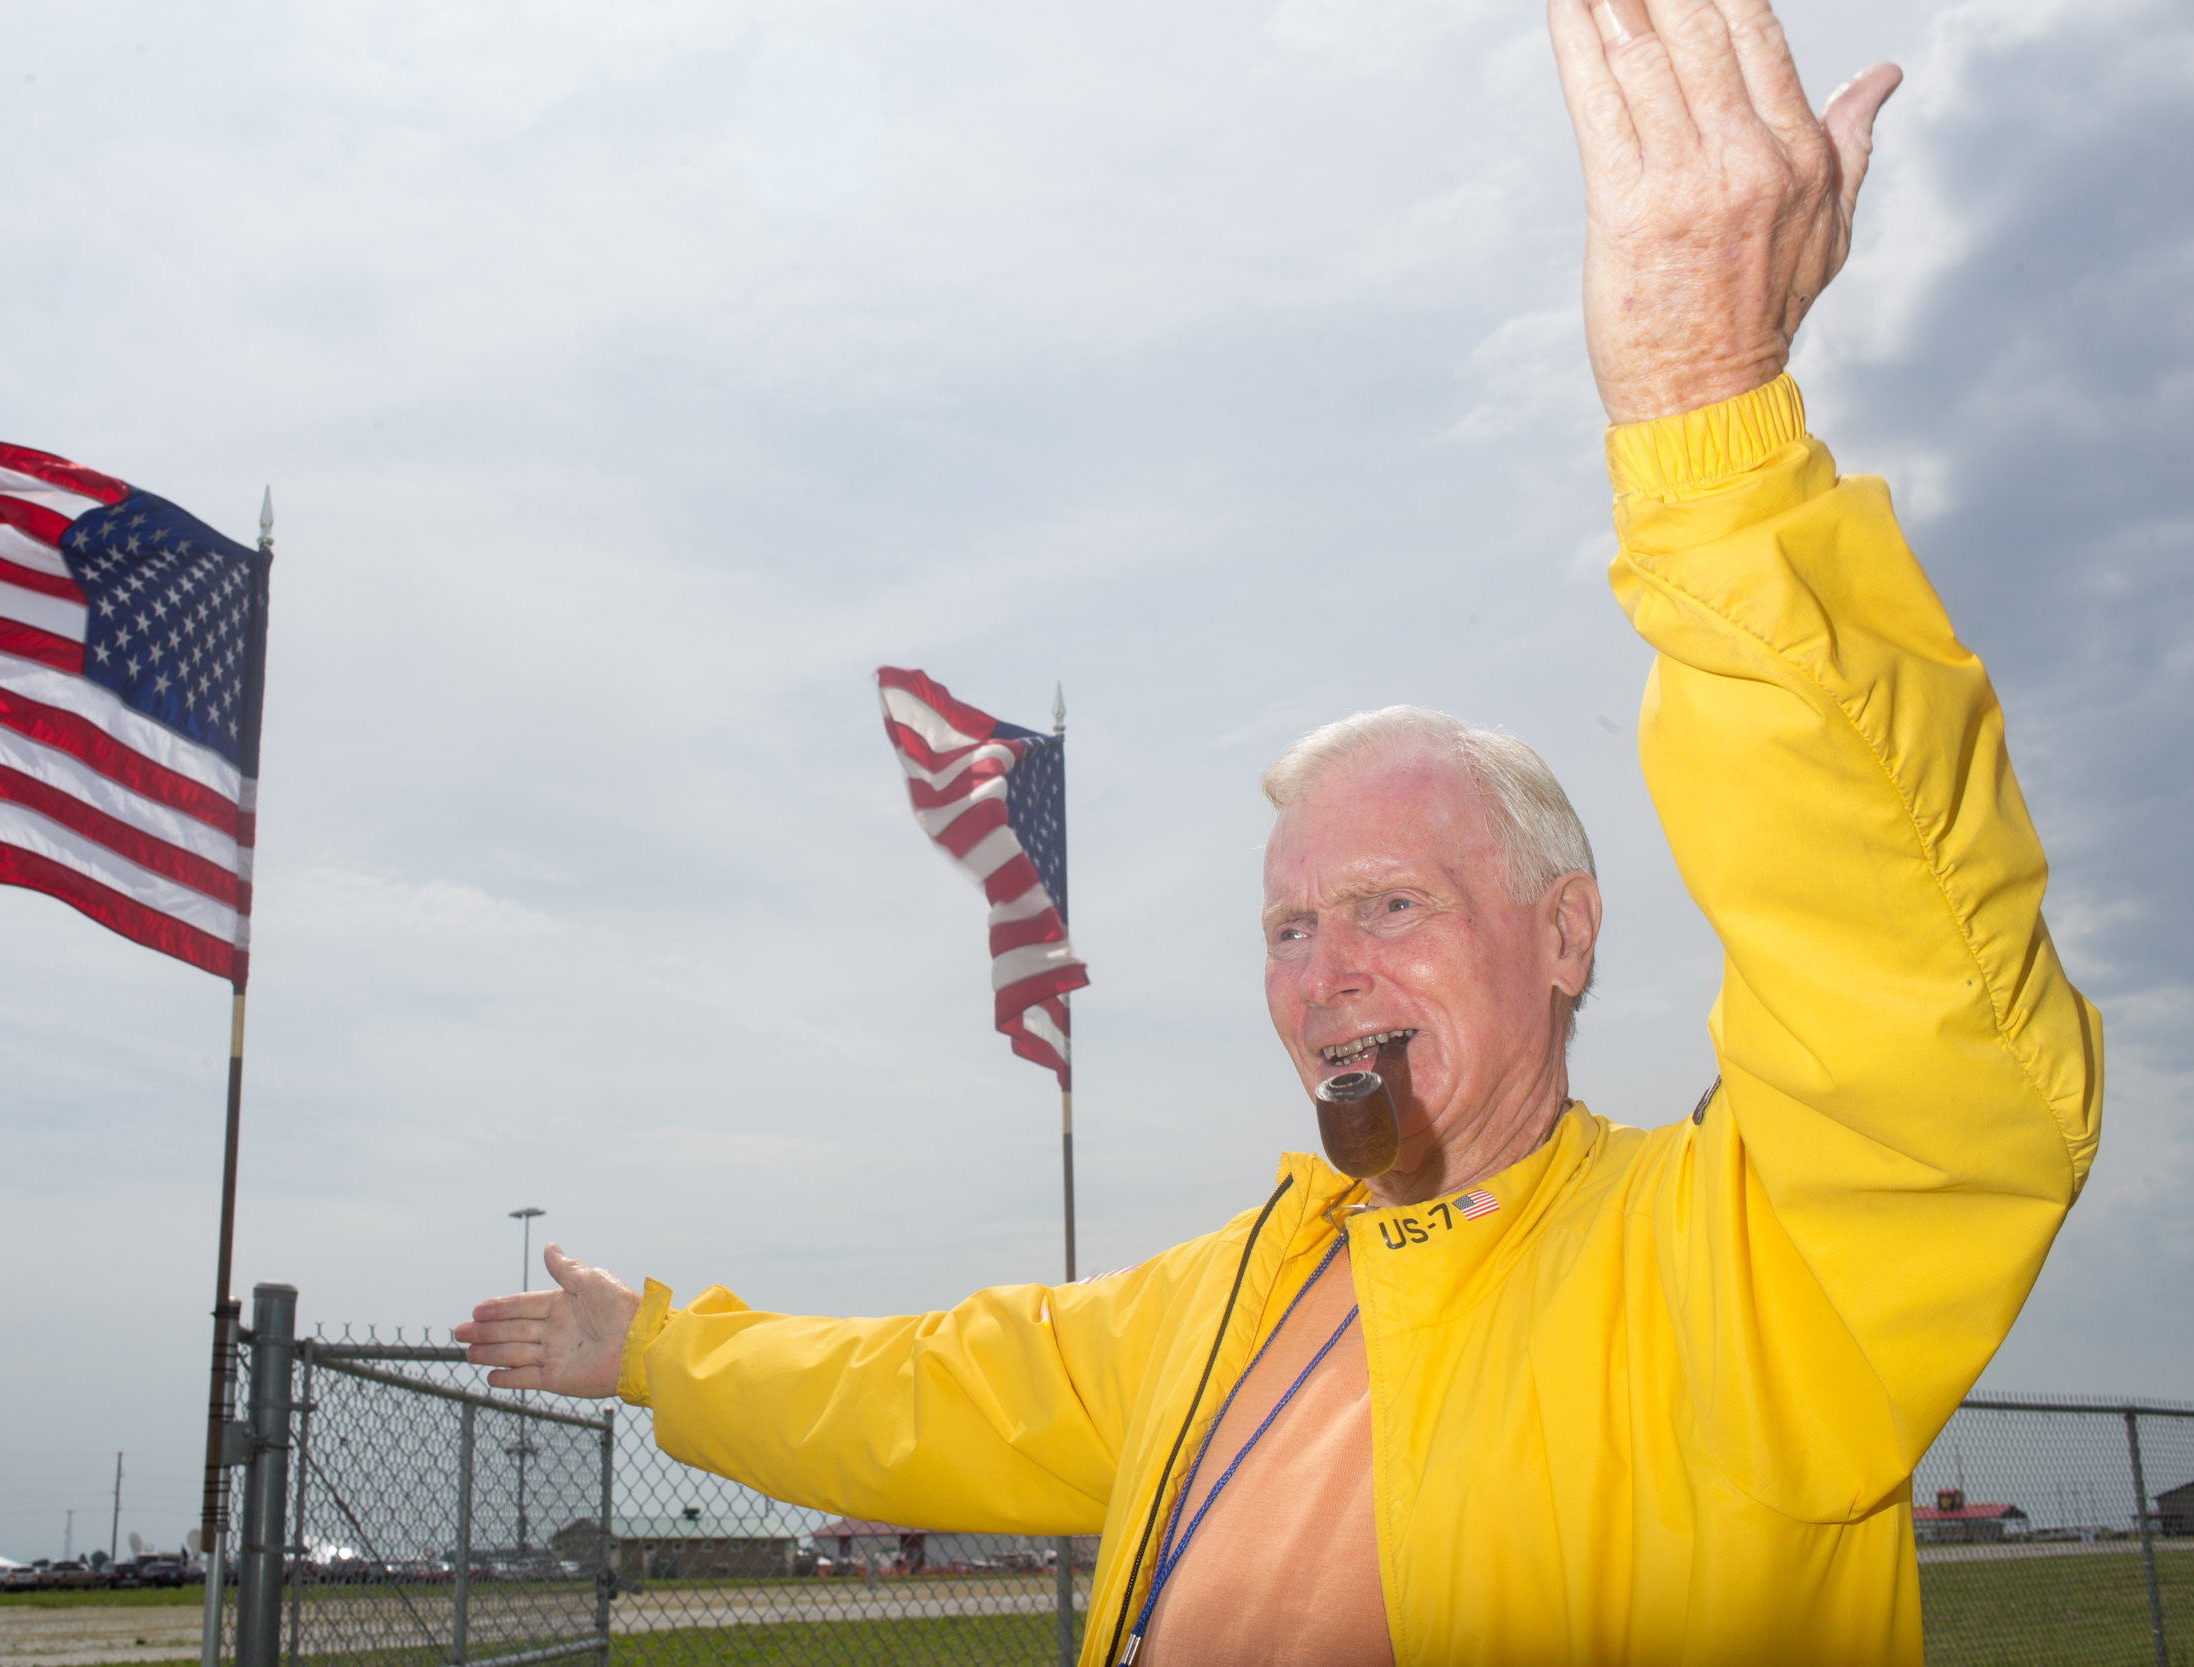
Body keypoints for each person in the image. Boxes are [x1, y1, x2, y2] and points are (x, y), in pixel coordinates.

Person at [457, 1, 2104, 1660]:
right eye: (1287, 930)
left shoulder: (1736, 1268)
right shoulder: (1226, 1296)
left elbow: (1918, 1014)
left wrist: (1709, 419)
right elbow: (916, 1388)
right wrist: (653, 1348)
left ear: (1563, 933)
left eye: (1391, 906)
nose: (1326, 974)